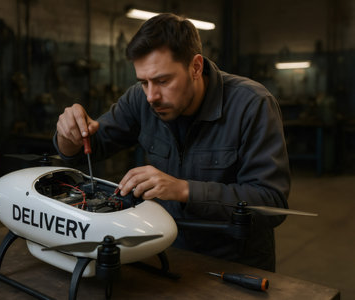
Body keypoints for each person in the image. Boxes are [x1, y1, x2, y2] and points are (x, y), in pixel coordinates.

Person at [53, 13, 290, 272]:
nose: (152, 96)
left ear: (196, 67)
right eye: (144, 82)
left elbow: (271, 204)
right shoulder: (140, 99)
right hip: (169, 254)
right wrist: (68, 136)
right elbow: (87, 149)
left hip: (236, 265)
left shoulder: (252, 105)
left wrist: (183, 190)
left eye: (163, 81)